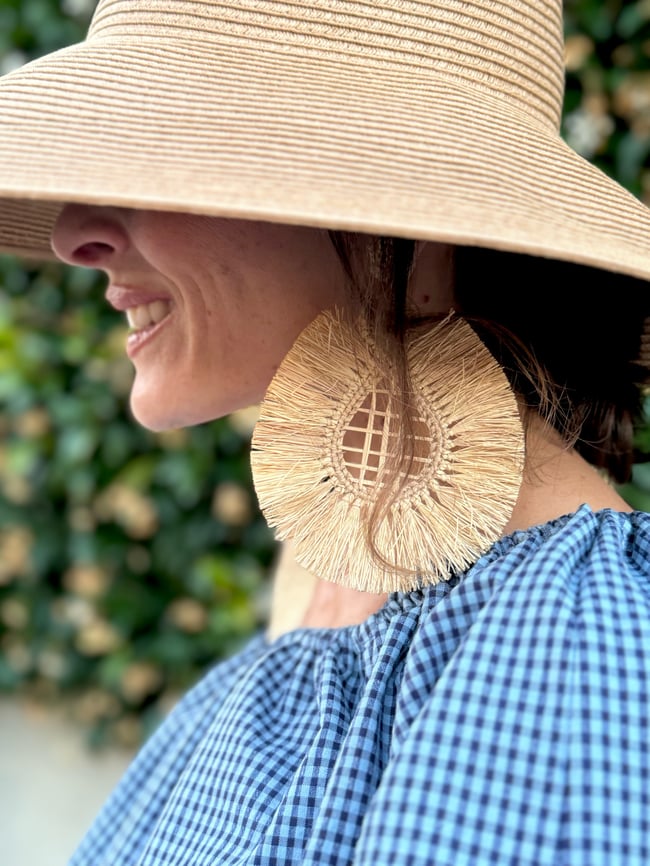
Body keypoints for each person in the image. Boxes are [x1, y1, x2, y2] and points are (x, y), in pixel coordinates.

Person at [1, 1, 649, 863]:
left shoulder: (584, 651)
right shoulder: (317, 580)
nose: (72, 234)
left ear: (396, 202)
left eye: (161, 149)